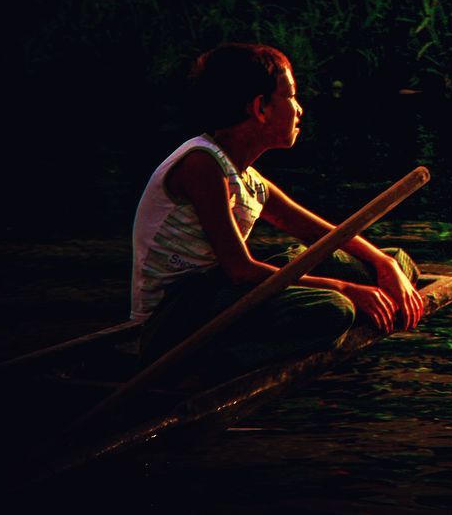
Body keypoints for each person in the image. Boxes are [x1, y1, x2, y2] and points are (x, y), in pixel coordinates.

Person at [130, 42, 424, 371]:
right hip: (179, 319)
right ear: (261, 108)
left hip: (221, 295)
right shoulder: (201, 164)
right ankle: (203, 368)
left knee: (394, 264)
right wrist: (347, 289)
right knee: (335, 308)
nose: (299, 109)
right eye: (291, 96)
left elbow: (322, 235)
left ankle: (362, 300)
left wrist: (385, 265)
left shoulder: (246, 177)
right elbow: (240, 269)